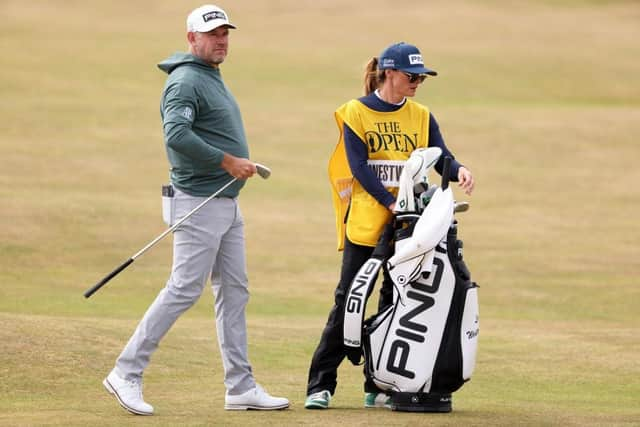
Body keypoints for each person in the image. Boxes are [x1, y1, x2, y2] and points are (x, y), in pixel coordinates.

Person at [102, 4, 289, 415]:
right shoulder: (185, 81)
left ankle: (240, 387)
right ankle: (125, 372)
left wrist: (239, 166)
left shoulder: (210, 75)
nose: (221, 40)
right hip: (199, 203)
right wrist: (228, 161)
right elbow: (176, 136)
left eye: (225, 33)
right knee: (184, 289)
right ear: (192, 38)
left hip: (226, 203)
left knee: (234, 292)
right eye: (212, 34)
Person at [304, 42, 475, 410]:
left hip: (409, 227)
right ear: (389, 73)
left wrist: (458, 169)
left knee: (393, 304)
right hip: (368, 223)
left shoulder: (422, 115)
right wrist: (389, 201)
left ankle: (378, 383)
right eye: (412, 76)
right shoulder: (355, 112)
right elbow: (360, 166)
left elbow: (440, 155)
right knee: (349, 298)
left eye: (421, 78)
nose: (417, 83)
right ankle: (321, 384)